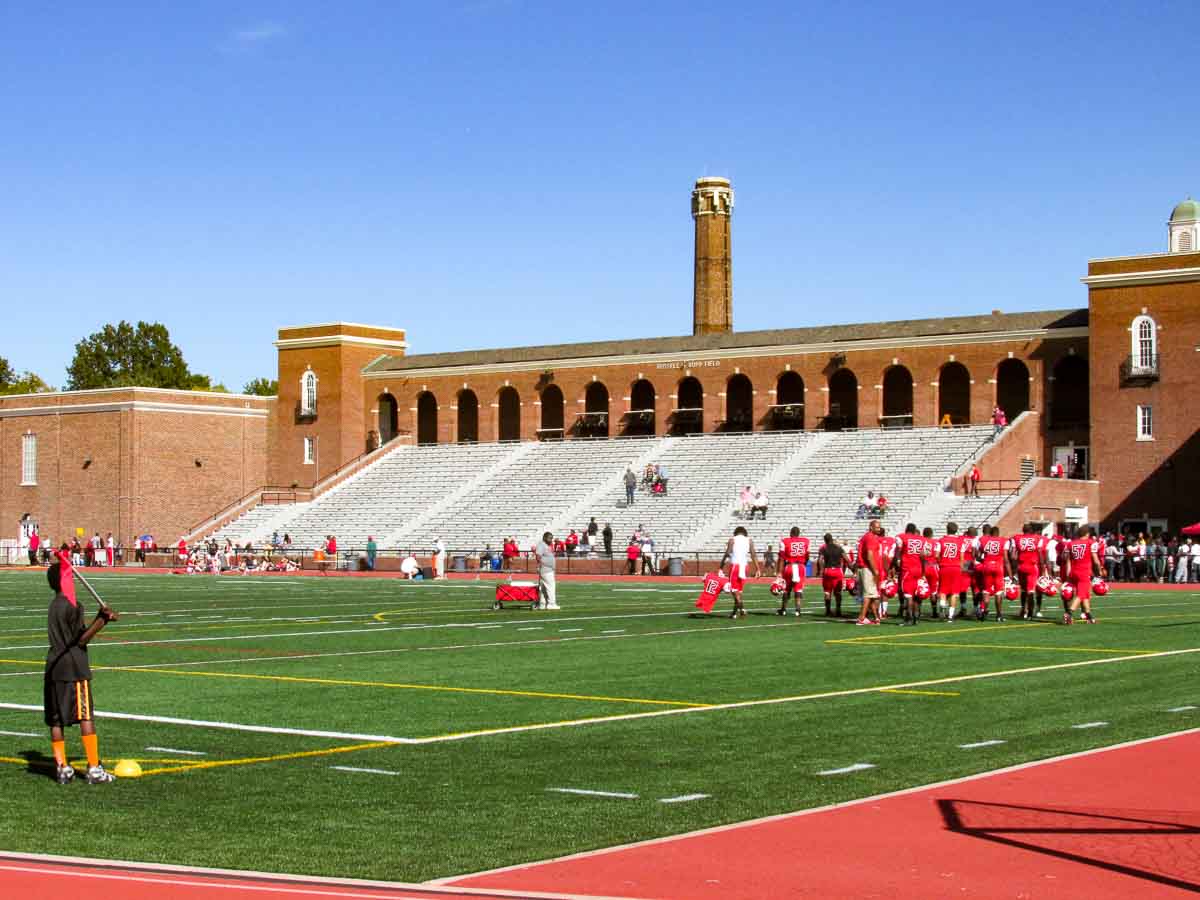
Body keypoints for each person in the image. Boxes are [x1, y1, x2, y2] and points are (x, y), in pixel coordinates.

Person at [45, 548, 119, 784]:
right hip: (74, 666)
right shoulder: (72, 606)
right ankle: (94, 769)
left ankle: (62, 768)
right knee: (86, 715)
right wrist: (103, 620)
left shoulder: (54, 604)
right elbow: (81, 639)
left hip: (53, 667)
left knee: (56, 720)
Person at [720, 526, 760, 619]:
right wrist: (758, 569)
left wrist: (721, 566)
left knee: (734, 590)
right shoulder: (749, 540)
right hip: (745, 566)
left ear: (736, 532)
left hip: (735, 566)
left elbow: (727, 553)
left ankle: (742, 608)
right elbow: (753, 555)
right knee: (739, 591)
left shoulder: (732, 539)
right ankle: (734, 613)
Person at [1063, 526, 1101, 625]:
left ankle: (1089, 616)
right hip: (1084, 572)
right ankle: (1069, 613)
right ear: (1087, 534)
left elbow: (1067, 560)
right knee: (1081, 595)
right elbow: (1096, 561)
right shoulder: (1090, 543)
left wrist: (1068, 574)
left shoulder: (1070, 543)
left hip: (1074, 572)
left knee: (1085, 595)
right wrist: (1099, 571)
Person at [896, 523, 932, 627]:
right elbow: (924, 555)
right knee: (916, 594)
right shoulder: (922, 539)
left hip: (907, 569)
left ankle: (908, 618)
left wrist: (897, 562)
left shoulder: (902, 537)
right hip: (919, 568)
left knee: (908, 595)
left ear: (906, 529)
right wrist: (923, 571)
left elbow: (898, 552)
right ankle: (916, 617)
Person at [1011, 524, 1045, 620]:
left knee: (1023, 590)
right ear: (1031, 530)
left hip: (1021, 566)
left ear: (1023, 530)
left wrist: (1014, 568)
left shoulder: (1017, 538)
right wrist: (1042, 567)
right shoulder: (1037, 538)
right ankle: (1030, 613)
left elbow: (1013, 556)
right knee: (1031, 591)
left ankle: (1023, 611)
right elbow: (1040, 554)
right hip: (1032, 566)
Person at [976, 526, 1009, 622]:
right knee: (998, 592)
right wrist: (1009, 573)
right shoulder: (1004, 541)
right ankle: (999, 615)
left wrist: (985, 560)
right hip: (998, 567)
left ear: (990, 533)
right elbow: (1006, 559)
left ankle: (984, 610)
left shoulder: (983, 540)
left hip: (987, 566)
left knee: (986, 591)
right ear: (998, 533)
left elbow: (978, 555)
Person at [776, 527, 810, 616]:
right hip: (801, 567)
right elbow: (807, 556)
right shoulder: (805, 541)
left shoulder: (785, 541)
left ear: (791, 533)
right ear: (799, 533)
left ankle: (783, 610)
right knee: (798, 589)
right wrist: (803, 564)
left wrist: (779, 572)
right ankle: (798, 610)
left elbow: (782, 558)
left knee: (786, 589)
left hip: (789, 566)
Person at [855, 520, 884, 626]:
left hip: (865, 568)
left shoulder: (868, 537)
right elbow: (869, 555)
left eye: (879, 527)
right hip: (868, 568)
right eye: (876, 527)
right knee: (869, 595)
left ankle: (876, 617)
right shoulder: (871, 538)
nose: (879, 529)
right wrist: (875, 570)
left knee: (871, 594)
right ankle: (861, 618)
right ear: (871, 527)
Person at [816, 533, 847, 617]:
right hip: (837, 570)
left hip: (828, 570)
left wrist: (820, 570)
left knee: (827, 592)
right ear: (832, 539)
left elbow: (820, 560)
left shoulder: (824, 548)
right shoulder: (839, 547)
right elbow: (846, 559)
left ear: (825, 540)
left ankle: (828, 611)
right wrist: (852, 569)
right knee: (838, 592)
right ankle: (838, 610)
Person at [534, 532, 559, 610]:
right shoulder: (541, 545)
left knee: (544, 588)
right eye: (549, 538)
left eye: (551, 538)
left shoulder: (547, 546)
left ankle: (542, 604)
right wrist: (542, 565)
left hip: (548, 570)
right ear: (544, 538)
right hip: (546, 570)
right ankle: (551, 604)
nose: (551, 540)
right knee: (551, 587)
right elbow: (538, 557)